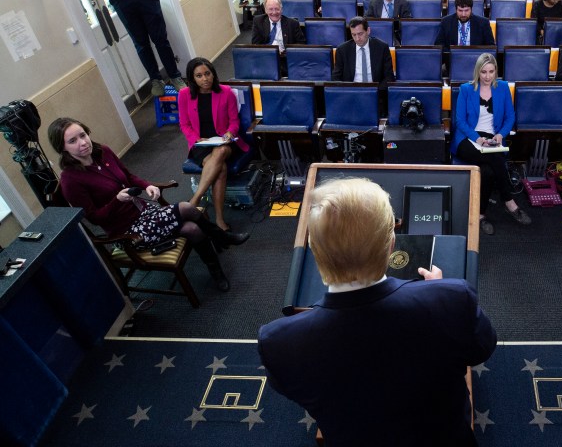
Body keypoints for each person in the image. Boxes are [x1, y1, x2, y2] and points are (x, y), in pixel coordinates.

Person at [258, 177, 497, 446]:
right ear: (391, 244)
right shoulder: (451, 297)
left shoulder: (277, 342)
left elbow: (295, 389)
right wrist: (438, 292)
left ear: (314, 248)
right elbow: (482, 348)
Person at [49, 117, 249, 292]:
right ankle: (222, 238)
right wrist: (116, 201)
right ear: (63, 148)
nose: (83, 143)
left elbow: (128, 176)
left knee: (192, 228)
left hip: (144, 212)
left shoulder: (104, 152)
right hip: (128, 232)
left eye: (83, 135)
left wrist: (148, 185)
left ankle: (217, 268)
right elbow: (94, 218)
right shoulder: (71, 179)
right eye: (73, 141)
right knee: (188, 210)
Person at [452, 53, 532, 232]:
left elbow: (510, 116)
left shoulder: (503, 87)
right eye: (483, 72)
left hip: (492, 137)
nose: (487, 76)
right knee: (495, 160)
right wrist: (478, 139)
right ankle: (509, 202)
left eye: (491, 71)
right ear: (477, 72)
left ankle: (480, 215)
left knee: (488, 171)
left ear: (496, 71)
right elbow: (460, 122)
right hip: (468, 138)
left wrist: (501, 135)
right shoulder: (466, 89)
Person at [178, 57, 251, 231]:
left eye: (207, 73)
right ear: (192, 79)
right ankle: (219, 219)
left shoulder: (226, 92)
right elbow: (184, 124)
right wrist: (195, 138)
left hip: (224, 142)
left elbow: (234, 121)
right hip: (201, 144)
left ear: (213, 74)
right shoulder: (184, 95)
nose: (205, 79)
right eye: (199, 75)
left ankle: (195, 201)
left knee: (220, 152)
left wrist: (229, 133)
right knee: (221, 169)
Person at [250, 0, 306, 75]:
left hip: (285, 59)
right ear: (265, 10)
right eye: (271, 9)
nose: (274, 12)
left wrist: (286, 52)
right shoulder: (258, 21)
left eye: (277, 9)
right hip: (265, 58)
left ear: (281, 9)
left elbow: (301, 44)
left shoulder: (293, 23)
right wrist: (270, 52)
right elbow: (255, 44)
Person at [332, 17, 395, 84]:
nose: (357, 38)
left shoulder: (382, 48)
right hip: (351, 90)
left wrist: (376, 91)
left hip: (376, 90)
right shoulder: (342, 50)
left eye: (360, 34)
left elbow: (389, 77)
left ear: (368, 31)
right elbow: (336, 78)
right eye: (354, 35)